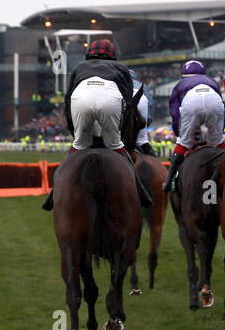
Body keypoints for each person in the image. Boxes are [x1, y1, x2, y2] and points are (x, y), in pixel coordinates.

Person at [42, 38, 151, 211]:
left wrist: (76, 134)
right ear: (112, 56)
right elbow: (128, 105)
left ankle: (52, 195)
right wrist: (118, 134)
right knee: (117, 146)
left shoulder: (79, 67)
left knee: (77, 147)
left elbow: (68, 101)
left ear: (89, 55)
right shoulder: (121, 68)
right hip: (110, 98)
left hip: (81, 98)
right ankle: (142, 191)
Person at [163, 59, 225, 194]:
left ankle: (169, 181)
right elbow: (221, 107)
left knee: (183, 142)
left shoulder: (180, 84)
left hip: (192, 101)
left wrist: (179, 134)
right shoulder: (213, 81)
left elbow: (175, 114)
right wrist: (220, 131)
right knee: (218, 142)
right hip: (213, 99)